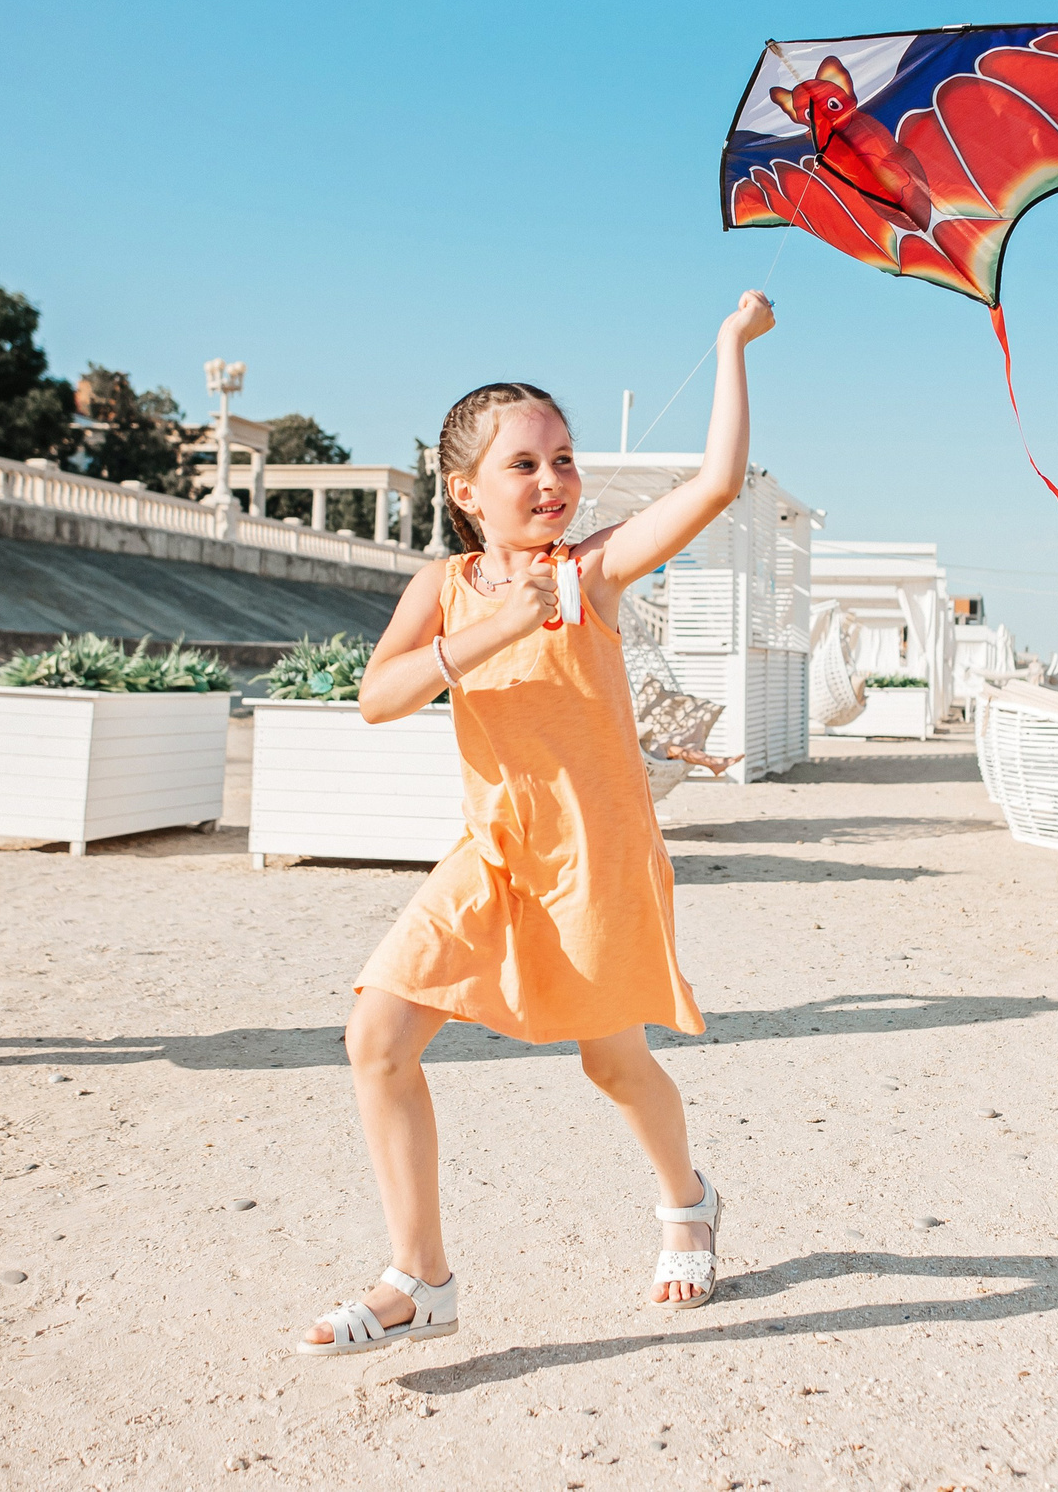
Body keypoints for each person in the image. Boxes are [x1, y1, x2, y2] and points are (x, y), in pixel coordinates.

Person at [297, 289, 775, 1355]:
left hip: (593, 864)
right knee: (374, 1032)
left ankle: (687, 1200)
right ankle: (420, 1278)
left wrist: (727, 348)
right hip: (491, 853)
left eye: (562, 458)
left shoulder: (590, 572)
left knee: (613, 1065)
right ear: (467, 489)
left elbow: (713, 483)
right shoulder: (443, 583)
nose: (553, 480)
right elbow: (378, 697)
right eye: (525, 464)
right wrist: (490, 629)